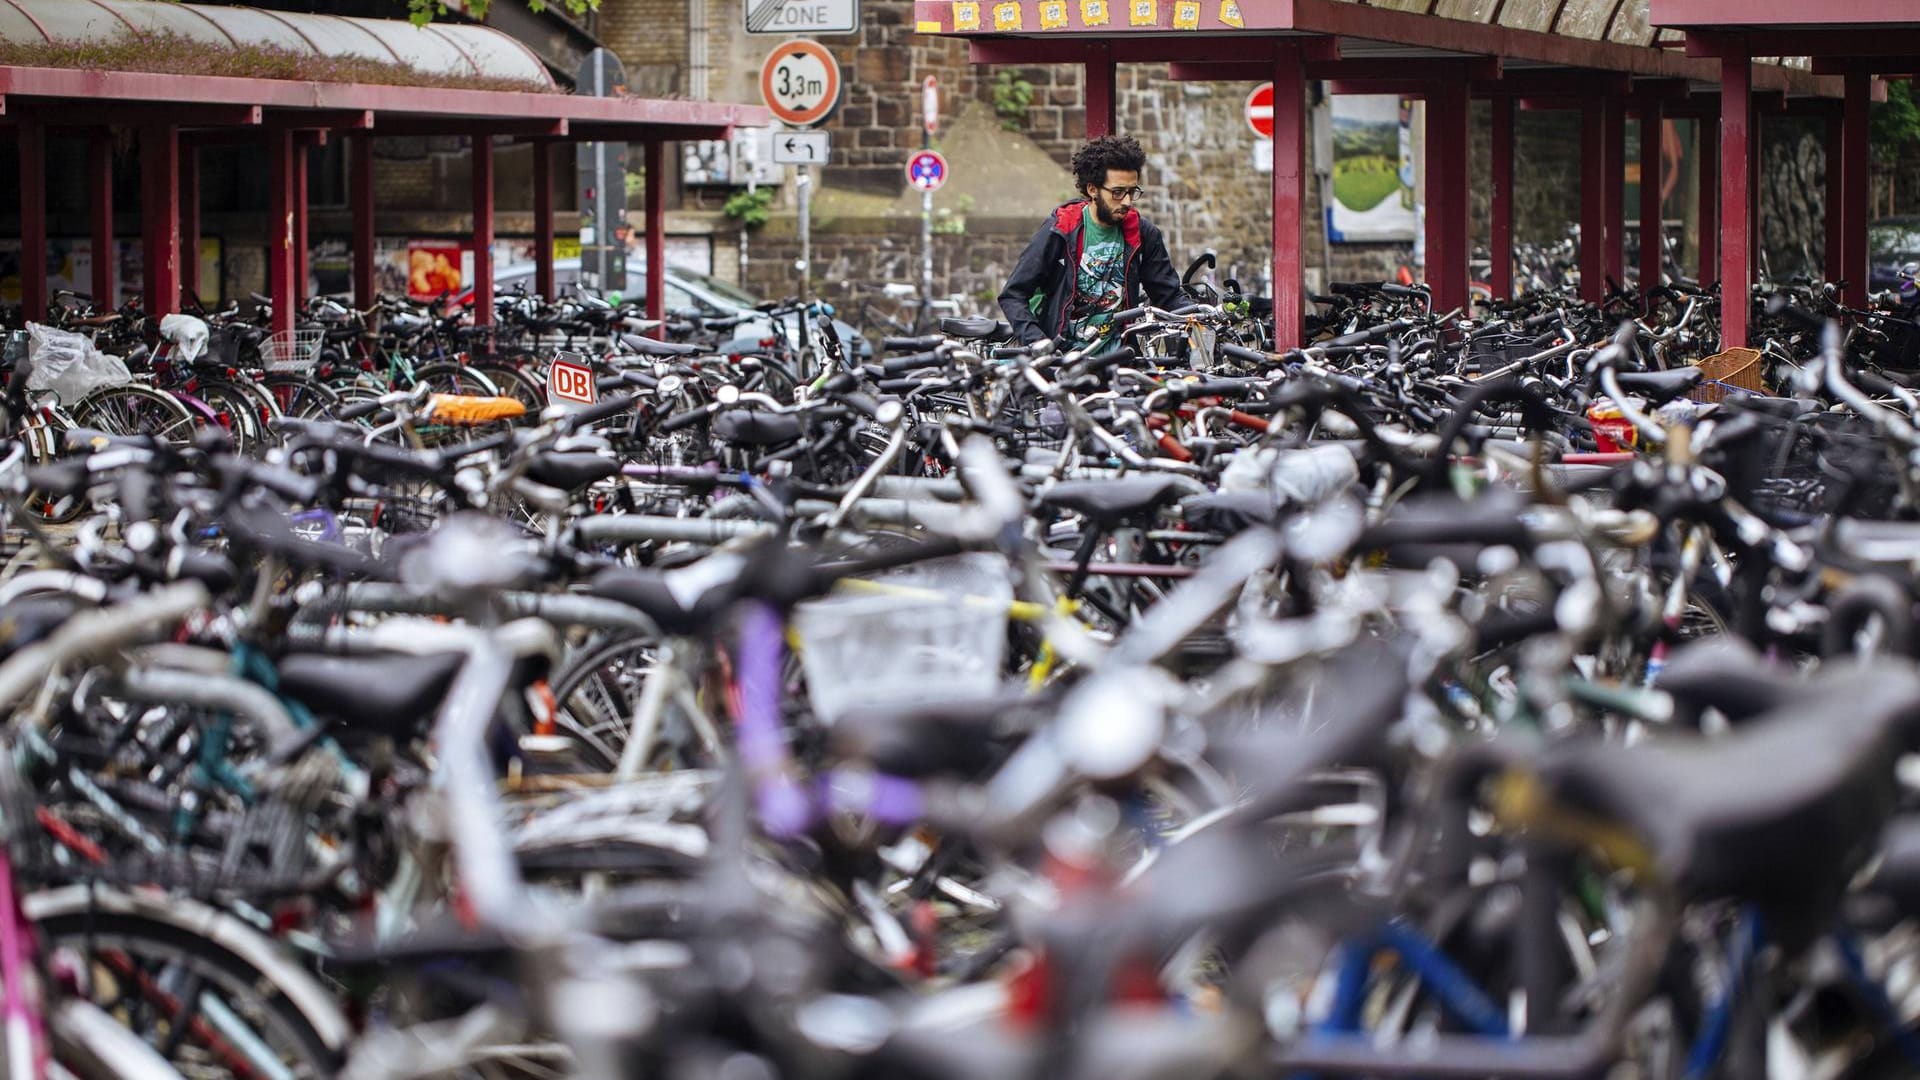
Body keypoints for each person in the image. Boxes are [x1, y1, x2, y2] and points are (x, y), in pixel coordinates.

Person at [999, 134, 1184, 348]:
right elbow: (1013, 295)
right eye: (1117, 192)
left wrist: (1207, 315)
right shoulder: (1061, 229)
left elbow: (1168, 296)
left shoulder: (1143, 233)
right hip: (1062, 362)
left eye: (1132, 192)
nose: (1126, 201)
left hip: (1119, 361)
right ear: (1092, 189)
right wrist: (1039, 344)